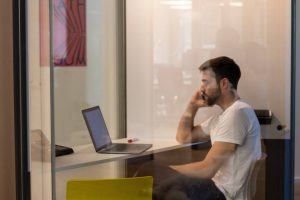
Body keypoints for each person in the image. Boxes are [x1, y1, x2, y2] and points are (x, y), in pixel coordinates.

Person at [162, 56, 261, 200]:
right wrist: (192, 105)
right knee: (164, 186)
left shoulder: (237, 114)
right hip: (216, 187)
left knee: (161, 184)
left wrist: (167, 170)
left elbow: (207, 169)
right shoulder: (224, 117)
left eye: (206, 82)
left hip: (223, 194)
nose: (201, 88)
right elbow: (183, 137)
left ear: (224, 83)